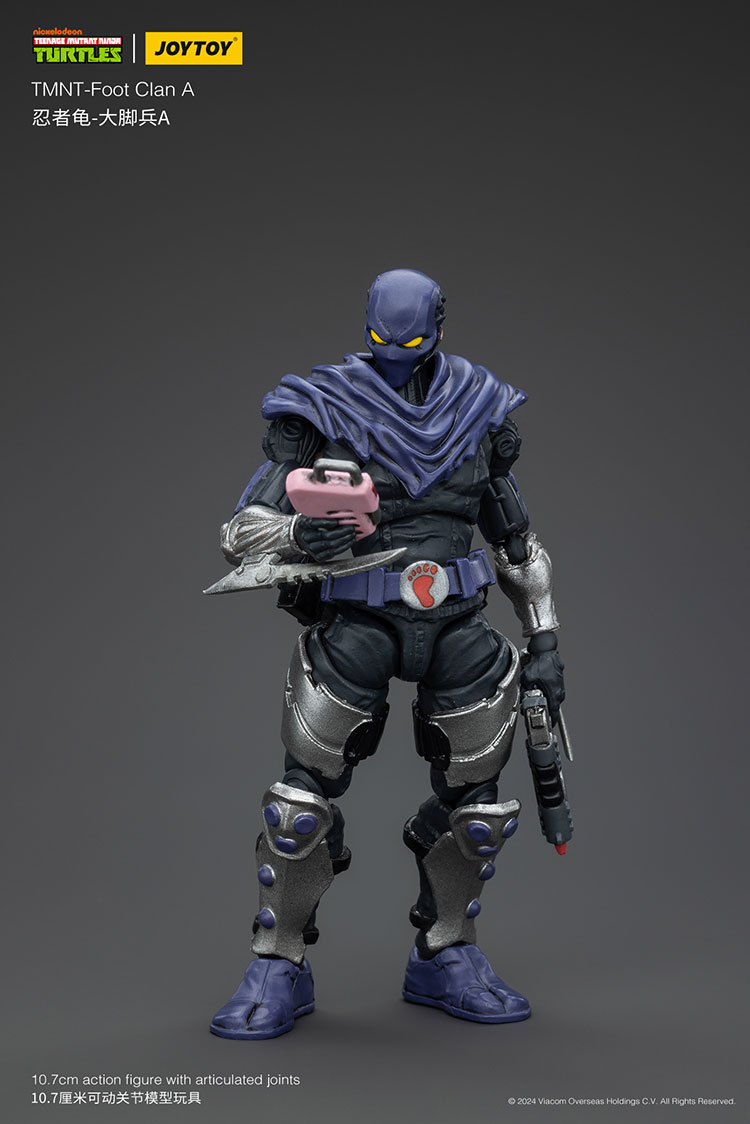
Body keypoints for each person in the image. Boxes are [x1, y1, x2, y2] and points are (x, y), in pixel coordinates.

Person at [209, 268, 566, 1039]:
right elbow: (241, 530)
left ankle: (446, 951)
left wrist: (544, 637)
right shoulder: (325, 406)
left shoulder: (478, 408)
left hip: (458, 624)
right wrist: (300, 533)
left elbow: (516, 540)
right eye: (383, 339)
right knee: (299, 804)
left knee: (478, 807)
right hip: (360, 621)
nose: (396, 355)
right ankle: (278, 961)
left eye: (410, 339)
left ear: (439, 325)